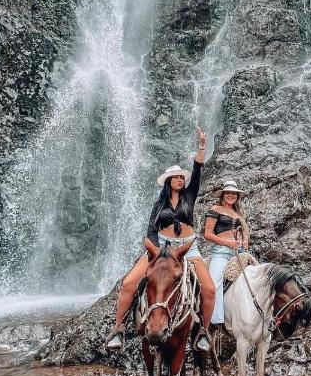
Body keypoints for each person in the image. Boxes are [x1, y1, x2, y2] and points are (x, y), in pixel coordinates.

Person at [107, 128, 216, 352]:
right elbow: (150, 231)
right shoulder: (159, 205)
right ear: (168, 181)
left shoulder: (190, 195)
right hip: (161, 250)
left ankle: (203, 332)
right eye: (175, 177)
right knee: (129, 284)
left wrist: (202, 147)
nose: (179, 180)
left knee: (209, 289)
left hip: (188, 248)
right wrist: (155, 251)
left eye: (180, 178)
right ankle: (118, 329)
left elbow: (197, 170)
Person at [203, 180, 250, 326]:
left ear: (237, 196)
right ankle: (215, 321)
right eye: (228, 192)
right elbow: (208, 234)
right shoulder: (215, 209)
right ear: (223, 195)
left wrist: (244, 244)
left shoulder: (239, 214)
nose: (231, 195)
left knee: (252, 283)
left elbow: (244, 235)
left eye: (233, 193)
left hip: (239, 253)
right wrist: (227, 243)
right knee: (214, 282)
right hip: (222, 252)